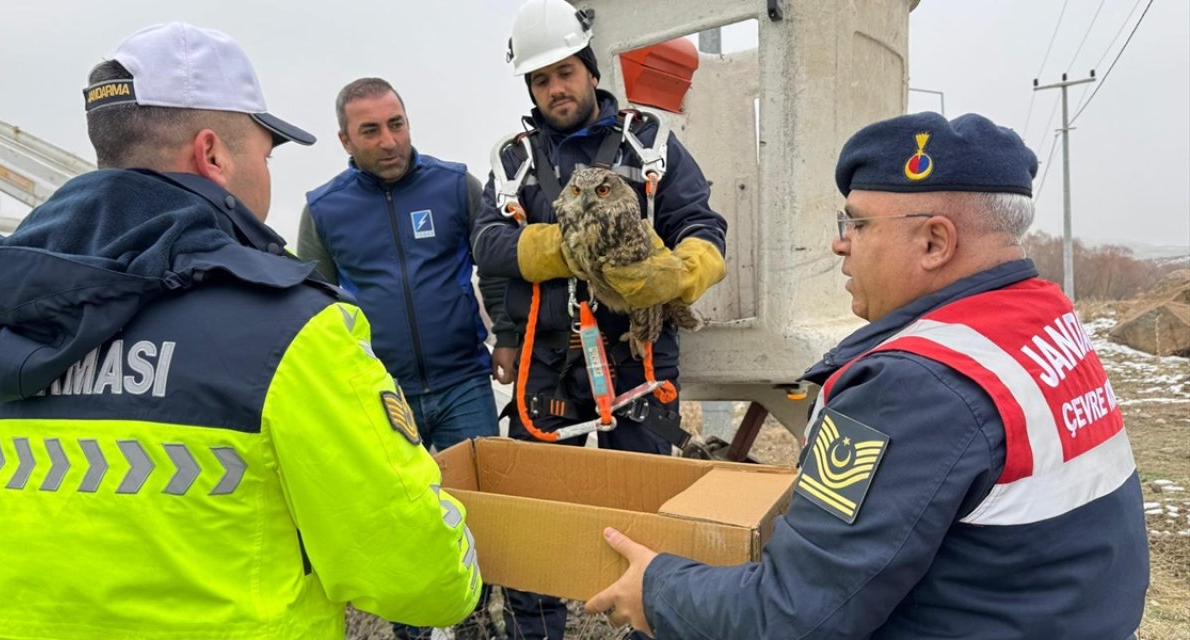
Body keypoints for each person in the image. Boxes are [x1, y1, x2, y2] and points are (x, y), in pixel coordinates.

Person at [0, 23, 480, 639]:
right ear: (213, 155)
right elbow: (420, 579)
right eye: (265, 153)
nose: (267, 174)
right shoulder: (290, 329)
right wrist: (458, 539)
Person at [584, 112, 1150, 639]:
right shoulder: (1038, 318)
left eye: (856, 222)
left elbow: (794, 616)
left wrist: (655, 589)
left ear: (934, 241)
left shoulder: (914, 386)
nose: (840, 243)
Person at [470, 0, 727, 637]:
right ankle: (538, 628)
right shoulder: (514, 163)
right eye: (541, 79)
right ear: (529, 87)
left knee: (644, 511)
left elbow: (701, 223)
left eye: (565, 72)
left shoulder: (650, 142)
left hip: (637, 356)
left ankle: (652, 621)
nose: (556, 88)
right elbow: (487, 244)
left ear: (589, 68)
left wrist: (684, 270)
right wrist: (560, 246)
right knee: (533, 513)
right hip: (548, 360)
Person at [299, 77, 502, 640]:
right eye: (371, 130)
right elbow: (312, 308)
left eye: (397, 124)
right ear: (345, 140)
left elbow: (498, 265)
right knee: (400, 520)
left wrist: (505, 335)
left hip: (464, 377)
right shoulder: (324, 211)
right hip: (383, 396)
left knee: (483, 509)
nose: (389, 141)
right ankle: (414, 631)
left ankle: (481, 621)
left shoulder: (454, 186)